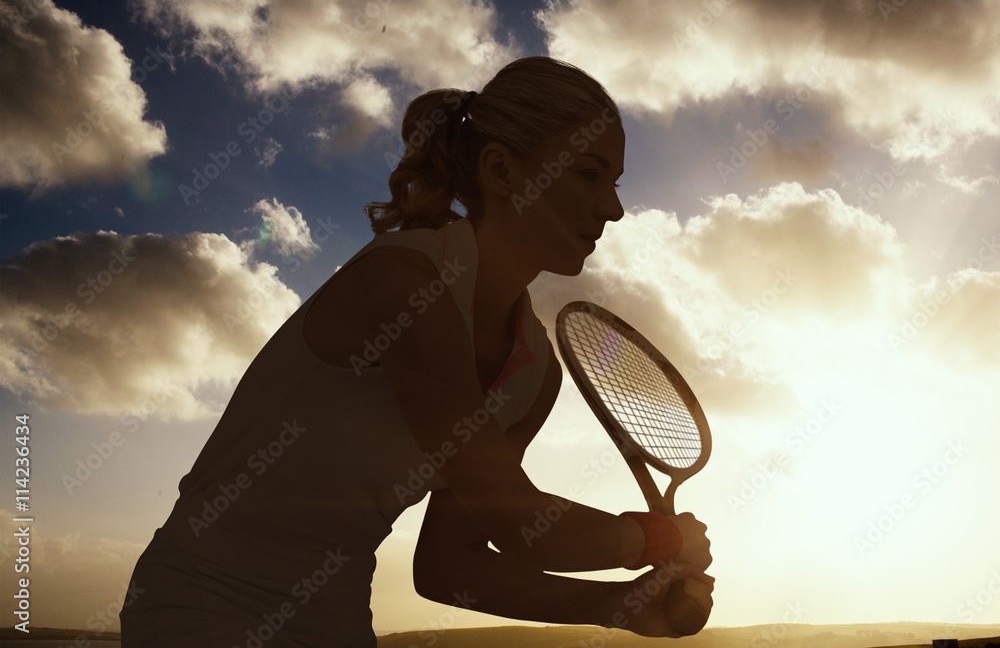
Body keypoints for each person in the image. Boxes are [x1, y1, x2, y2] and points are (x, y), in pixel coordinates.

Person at [120, 56, 713, 647]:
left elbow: (449, 569)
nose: (613, 208)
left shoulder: (534, 376)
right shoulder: (408, 282)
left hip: (335, 619)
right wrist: (654, 540)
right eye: (589, 175)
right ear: (502, 169)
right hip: (196, 606)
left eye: (615, 183)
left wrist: (621, 605)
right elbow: (520, 524)